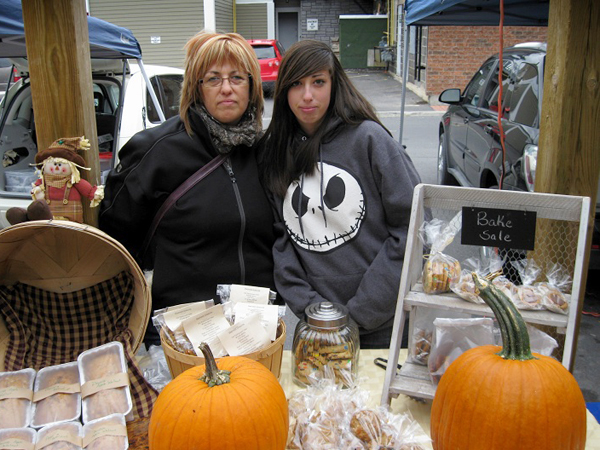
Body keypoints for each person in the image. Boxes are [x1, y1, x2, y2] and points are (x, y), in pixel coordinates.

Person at [99, 31, 276, 346]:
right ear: (197, 88)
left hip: (256, 330)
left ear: (252, 88)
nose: (226, 88)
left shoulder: (265, 151)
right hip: (186, 335)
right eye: (213, 79)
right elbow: (116, 238)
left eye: (237, 77)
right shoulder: (156, 151)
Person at [259, 40, 421, 349]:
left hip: (386, 328)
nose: (307, 95)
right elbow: (281, 244)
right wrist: (317, 313)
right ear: (283, 92)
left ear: (334, 85)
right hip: (318, 330)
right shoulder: (274, 155)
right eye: (296, 84)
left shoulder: (370, 140)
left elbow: (412, 230)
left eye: (318, 82)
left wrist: (357, 316)